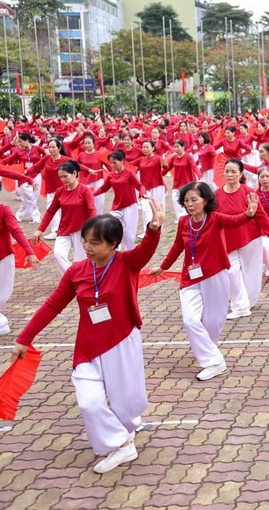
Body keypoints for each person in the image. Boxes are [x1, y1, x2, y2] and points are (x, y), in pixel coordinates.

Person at [12, 202, 165, 473]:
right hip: (88, 346)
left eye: (95, 242)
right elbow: (52, 306)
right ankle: (121, 444)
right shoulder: (76, 271)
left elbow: (146, 250)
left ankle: (125, 431)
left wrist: (154, 228)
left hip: (121, 341)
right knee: (89, 402)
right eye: (85, 241)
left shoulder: (127, 263)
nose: (87, 247)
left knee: (126, 403)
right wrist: (25, 338)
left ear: (113, 244)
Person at [151, 182, 260, 380]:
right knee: (190, 319)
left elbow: (234, 221)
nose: (190, 204)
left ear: (206, 200)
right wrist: (164, 267)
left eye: (194, 200)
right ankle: (214, 362)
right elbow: (177, 246)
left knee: (213, 322)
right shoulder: (184, 222)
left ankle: (209, 352)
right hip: (190, 278)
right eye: (186, 201)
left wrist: (249, 214)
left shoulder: (215, 219)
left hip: (215, 276)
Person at [217, 159, 269, 319]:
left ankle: (249, 301)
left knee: (250, 272)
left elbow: (261, 215)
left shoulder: (248, 192)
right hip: (229, 240)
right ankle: (240, 306)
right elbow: (212, 218)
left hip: (250, 238)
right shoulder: (217, 194)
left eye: (233, 171)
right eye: (227, 171)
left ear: (240, 174)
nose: (230, 175)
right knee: (231, 271)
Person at [33, 160, 96, 275]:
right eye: (60, 177)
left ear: (75, 174)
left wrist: (93, 228)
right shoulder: (60, 191)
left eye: (65, 176)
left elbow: (92, 210)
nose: (63, 180)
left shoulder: (85, 190)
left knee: (81, 261)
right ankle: (73, 277)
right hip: (64, 230)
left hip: (82, 231)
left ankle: (80, 279)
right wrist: (40, 230)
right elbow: (50, 211)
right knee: (58, 255)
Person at [0, 201, 40, 335]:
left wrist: (29, 252)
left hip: (4, 257)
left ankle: (1, 322)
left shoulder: (4, 210)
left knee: (2, 296)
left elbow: (16, 231)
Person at [94, 150, 146, 251]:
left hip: (130, 206)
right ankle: (115, 252)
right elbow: (103, 188)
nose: (113, 165)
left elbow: (139, 185)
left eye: (115, 162)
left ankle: (129, 253)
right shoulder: (111, 175)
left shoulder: (129, 173)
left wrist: (142, 193)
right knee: (112, 229)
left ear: (122, 161)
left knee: (129, 234)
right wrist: (92, 194)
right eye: (111, 163)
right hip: (117, 207)